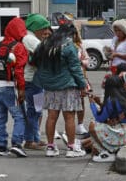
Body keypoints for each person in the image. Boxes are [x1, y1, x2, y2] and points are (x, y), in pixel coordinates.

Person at [32, 23, 87, 158]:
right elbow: (75, 68)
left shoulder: (44, 44)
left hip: (50, 87)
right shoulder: (68, 46)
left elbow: (34, 62)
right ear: (72, 34)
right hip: (67, 85)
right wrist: (82, 85)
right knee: (69, 117)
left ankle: (50, 147)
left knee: (51, 117)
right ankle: (71, 148)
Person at [0, 17, 28, 157]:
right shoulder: (18, 47)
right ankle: (17, 143)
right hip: (10, 86)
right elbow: (18, 70)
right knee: (19, 116)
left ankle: (1, 147)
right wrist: (22, 89)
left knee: (0, 118)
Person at [88, 75, 126, 162]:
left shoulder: (112, 100)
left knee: (92, 125)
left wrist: (92, 104)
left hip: (123, 135)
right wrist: (99, 103)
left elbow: (100, 118)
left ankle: (107, 152)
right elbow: (110, 114)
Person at [22, 13, 50, 150]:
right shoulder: (30, 39)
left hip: (36, 81)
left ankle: (35, 138)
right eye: (43, 28)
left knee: (37, 110)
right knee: (33, 110)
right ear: (36, 28)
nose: (46, 32)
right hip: (32, 81)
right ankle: (29, 140)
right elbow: (47, 53)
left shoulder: (30, 38)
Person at [70, 25, 90, 135]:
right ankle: (70, 125)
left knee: (81, 101)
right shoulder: (63, 45)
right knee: (68, 102)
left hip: (81, 76)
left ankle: (80, 124)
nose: (72, 36)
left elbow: (87, 59)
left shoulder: (80, 46)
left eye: (74, 34)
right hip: (68, 78)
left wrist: (82, 62)